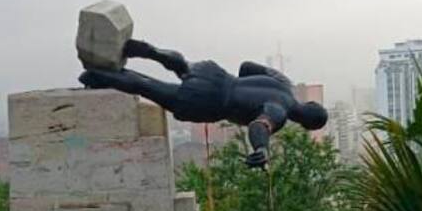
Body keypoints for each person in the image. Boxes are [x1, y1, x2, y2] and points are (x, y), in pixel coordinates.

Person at [78, 39, 328, 168]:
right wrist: (262, 149)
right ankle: (97, 76)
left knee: (183, 66)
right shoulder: (279, 112)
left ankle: (154, 52)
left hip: (216, 76)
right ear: (306, 124)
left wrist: (245, 91)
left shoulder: (284, 82)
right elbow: (260, 126)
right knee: (150, 88)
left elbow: (246, 67)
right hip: (210, 101)